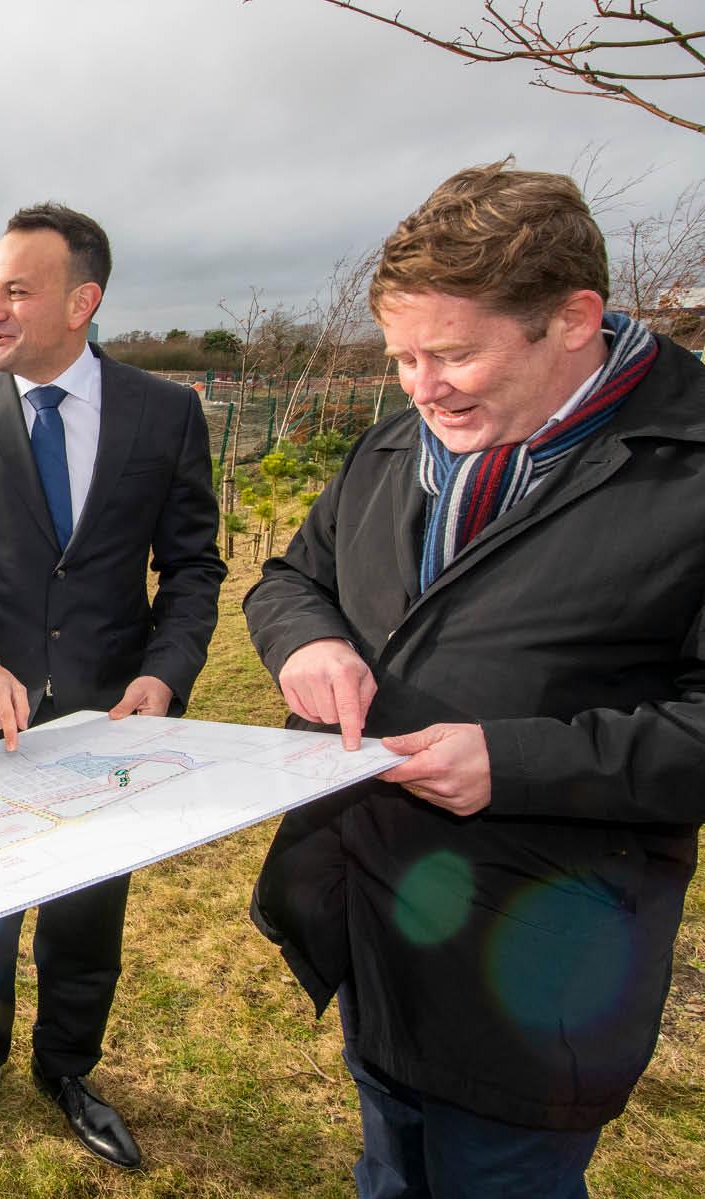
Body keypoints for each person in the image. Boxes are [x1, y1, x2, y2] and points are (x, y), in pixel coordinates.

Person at [244, 161, 705, 1198]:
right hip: (373, 912)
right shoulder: (398, 440)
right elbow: (290, 578)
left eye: (452, 353)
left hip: (538, 959)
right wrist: (307, 641)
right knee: (391, 1160)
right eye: (403, 355)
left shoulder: (688, 467)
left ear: (575, 320)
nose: (419, 384)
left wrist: (514, 760)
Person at [0, 202, 225, 1167]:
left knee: (85, 916)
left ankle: (69, 1068)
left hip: (108, 722)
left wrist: (164, 675)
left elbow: (193, 567)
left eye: (15, 292)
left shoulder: (166, 414)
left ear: (82, 301)